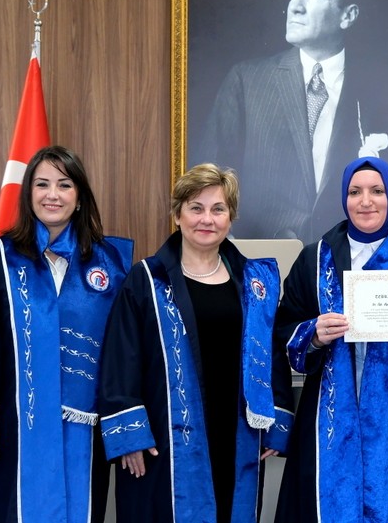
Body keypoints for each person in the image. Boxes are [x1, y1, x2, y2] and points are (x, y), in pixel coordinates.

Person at [0, 145, 132, 522]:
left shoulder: (109, 264)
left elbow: (123, 352)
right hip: (14, 425)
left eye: (64, 185)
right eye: (42, 184)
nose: (52, 194)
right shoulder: (0, 257)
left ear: (79, 197)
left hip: (82, 430)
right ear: (28, 193)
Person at [98, 163, 292, 522]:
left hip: (236, 430)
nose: (207, 219)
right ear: (177, 215)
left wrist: (276, 421)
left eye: (218, 209)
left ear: (230, 218)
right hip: (164, 436)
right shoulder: (147, 279)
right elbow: (121, 358)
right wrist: (130, 435)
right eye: (196, 208)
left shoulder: (254, 282)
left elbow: (272, 352)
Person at [274, 156, 388, 523]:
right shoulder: (313, 261)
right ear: (344, 198)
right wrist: (313, 335)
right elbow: (282, 332)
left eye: (377, 191)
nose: (366, 201)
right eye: (355, 192)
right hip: (327, 417)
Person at [197, 0, 388, 243]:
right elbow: (210, 177)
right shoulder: (247, 80)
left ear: (347, 16)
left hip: (349, 258)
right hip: (261, 259)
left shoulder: (381, 91)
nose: (295, 6)